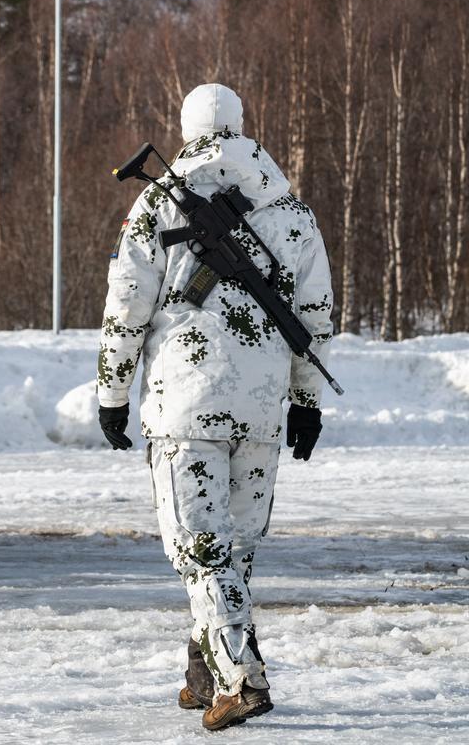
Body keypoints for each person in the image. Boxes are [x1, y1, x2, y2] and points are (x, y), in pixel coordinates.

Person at [97, 83, 334, 731]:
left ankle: (241, 679)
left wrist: (112, 393)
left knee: (200, 548)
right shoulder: (292, 212)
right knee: (233, 549)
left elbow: (125, 308)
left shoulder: (153, 203)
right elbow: (314, 317)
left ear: (185, 126)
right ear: (239, 123)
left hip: (186, 405)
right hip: (260, 408)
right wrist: (306, 403)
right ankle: (203, 671)